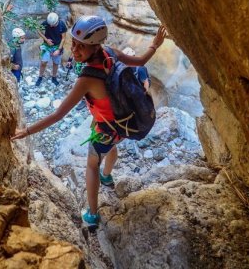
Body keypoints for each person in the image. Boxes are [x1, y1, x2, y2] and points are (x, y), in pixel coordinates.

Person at [12, 15, 167, 228]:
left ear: (95, 47)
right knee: (111, 148)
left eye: (81, 46)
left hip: (106, 129)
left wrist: (27, 131)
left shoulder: (87, 79)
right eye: (74, 44)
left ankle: (93, 215)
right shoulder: (111, 53)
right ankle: (107, 177)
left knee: (91, 164)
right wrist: (154, 45)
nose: (74, 50)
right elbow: (140, 62)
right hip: (123, 123)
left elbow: (58, 115)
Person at [36, 12, 67, 86]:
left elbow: (63, 38)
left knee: (56, 63)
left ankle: (54, 77)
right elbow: (38, 29)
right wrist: (46, 40)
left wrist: (58, 50)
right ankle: (40, 76)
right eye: (50, 24)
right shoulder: (47, 22)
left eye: (52, 25)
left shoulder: (61, 25)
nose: (50, 26)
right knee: (43, 62)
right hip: (47, 45)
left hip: (57, 46)